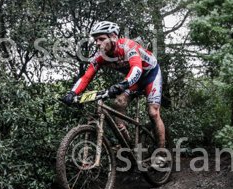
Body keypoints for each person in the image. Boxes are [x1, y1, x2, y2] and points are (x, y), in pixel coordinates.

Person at [62, 21, 166, 149]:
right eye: (96, 40)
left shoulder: (128, 47)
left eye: (101, 39)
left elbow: (137, 69)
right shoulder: (100, 56)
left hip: (151, 74)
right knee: (118, 102)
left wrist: (122, 85)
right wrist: (72, 93)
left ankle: (162, 151)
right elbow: (86, 77)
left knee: (153, 112)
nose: (97, 43)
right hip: (135, 80)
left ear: (113, 37)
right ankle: (127, 144)